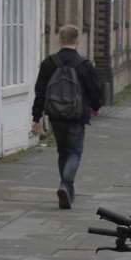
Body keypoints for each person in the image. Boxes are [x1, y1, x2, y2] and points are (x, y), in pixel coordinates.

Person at [31, 24, 104, 210]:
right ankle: (65, 184)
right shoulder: (84, 64)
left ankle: (68, 192)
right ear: (77, 41)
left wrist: (36, 117)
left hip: (55, 115)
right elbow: (95, 90)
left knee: (62, 152)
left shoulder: (49, 63)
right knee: (74, 153)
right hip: (76, 116)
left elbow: (40, 92)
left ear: (59, 39)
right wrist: (95, 107)